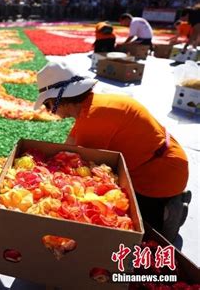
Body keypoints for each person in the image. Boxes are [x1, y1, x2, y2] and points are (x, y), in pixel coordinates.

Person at [33, 61, 191, 242]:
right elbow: (69, 146)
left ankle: (172, 208)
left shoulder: (93, 119)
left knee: (143, 235)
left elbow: (77, 165)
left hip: (160, 174)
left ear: (59, 99)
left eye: (47, 105)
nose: (48, 111)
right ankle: (169, 202)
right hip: (157, 161)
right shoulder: (92, 106)